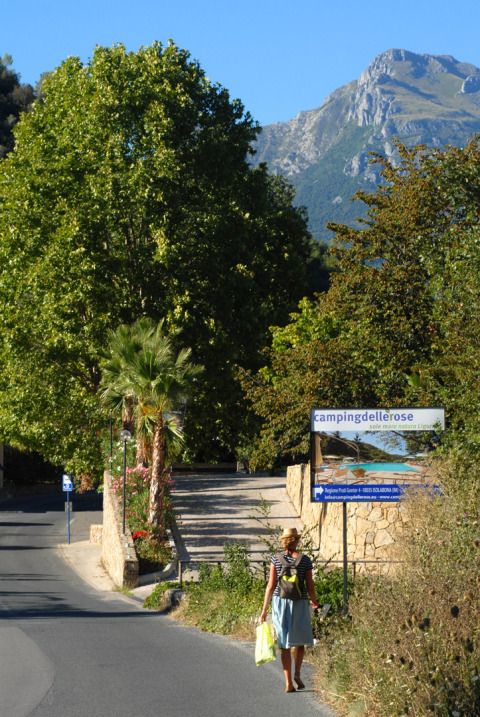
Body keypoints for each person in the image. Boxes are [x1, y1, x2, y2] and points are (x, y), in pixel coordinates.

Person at [260, 527, 318, 693]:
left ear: (284, 541)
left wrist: (264, 610)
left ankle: (288, 683)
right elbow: (310, 585)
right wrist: (314, 602)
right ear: (297, 541)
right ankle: (297, 673)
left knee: (284, 643)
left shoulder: (275, 559)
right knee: (300, 642)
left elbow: (270, 586)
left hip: (280, 603)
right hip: (299, 602)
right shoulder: (305, 560)